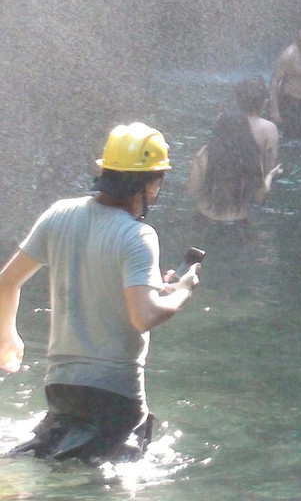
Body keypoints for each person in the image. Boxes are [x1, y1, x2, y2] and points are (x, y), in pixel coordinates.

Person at [0, 123, 200, 462]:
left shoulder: (59, 213)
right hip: (115, 392)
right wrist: (182, 291)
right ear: (149, 184)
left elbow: (6, 283)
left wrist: (7, 335)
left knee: (47, 461)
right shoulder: (138, 235)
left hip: (61, 386)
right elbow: (144, 317)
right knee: (110, 478)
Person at [187, 80, 283, 223]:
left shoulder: (204, 154)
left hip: (204, 217)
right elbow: (260, 196)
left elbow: (192, 190)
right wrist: (270, 175)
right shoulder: (249, 158)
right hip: (237, 221)